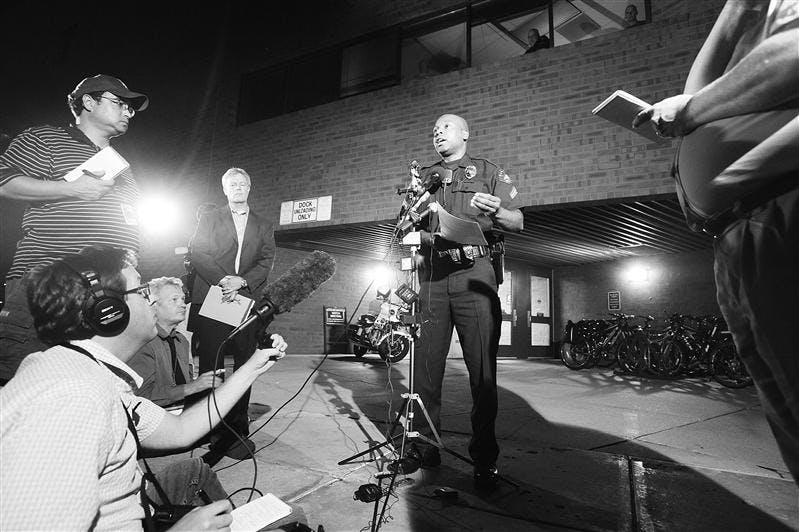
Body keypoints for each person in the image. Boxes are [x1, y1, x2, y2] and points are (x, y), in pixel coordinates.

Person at [0, 245, 298, 530]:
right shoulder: (71, 398)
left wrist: (254, 366)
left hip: (141, 508)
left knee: (195, 472)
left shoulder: (93, 374)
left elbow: (182, 431)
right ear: (109, 310)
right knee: (293, 517)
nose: (152, 301)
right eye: (142, 292)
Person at [632, 0, 799, 484]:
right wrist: (734, 12)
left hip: (782, 212)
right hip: (739, 232)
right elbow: (695, 100)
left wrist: (692, 111)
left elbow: (791, 56)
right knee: (789, 420)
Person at [0, 74, 147, 383]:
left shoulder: (122, 164)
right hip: (50, 283)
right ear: (89, 102)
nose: (127, 112)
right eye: (120, 103)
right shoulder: (45, 139)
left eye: (131, 109)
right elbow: (3, 181)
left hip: (105, 292)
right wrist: (72, 189)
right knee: (21, 386)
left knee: (83, 387)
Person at [402, 114, 523, 490]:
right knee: (425, 369)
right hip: (434, 277)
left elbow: (517, 221)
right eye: (434, 129)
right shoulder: (424, 177)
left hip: (475, 274)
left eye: (446, 127)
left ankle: (484, 458)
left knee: (482, 372)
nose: (438, 132)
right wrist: (413, 222)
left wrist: (497, 212)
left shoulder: (487, 171)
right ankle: (424, 447)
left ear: (465, 134)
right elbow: (406, 226)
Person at [188, 167, 275, 459]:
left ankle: (236, 429)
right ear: (225, 190)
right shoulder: (210, 218)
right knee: (211, 364)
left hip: (246, 300)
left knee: (244, 364)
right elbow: (198, 251)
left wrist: (243, 281)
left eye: (242, 184)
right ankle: (205, 428)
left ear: (249, 188)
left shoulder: (263, 225)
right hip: (215, 295)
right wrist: (225, 280)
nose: (237, 188)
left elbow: (266, 260)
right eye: (232, 184)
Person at [128, 276, 221, 408]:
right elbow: (142, 397)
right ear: (153, 305)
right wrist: (193, 387)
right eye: (174, 299)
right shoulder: (143, 343)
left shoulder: (181, 341)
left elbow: (185, 383)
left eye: (183, 299)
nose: (183, 304)